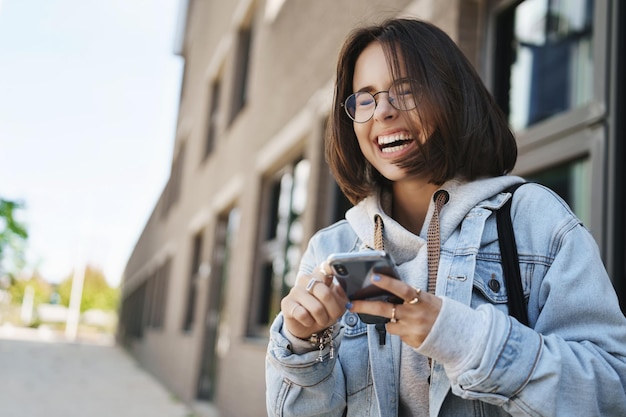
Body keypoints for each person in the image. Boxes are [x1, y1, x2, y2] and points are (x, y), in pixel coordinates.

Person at [265, 18, 626, 417]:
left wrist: (461, 338)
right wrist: (301, 344)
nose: (382, 111)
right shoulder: (332, 248)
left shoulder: (534, 221)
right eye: (364, 100)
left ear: (452, 96)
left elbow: (613, 389)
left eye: (405, 91)